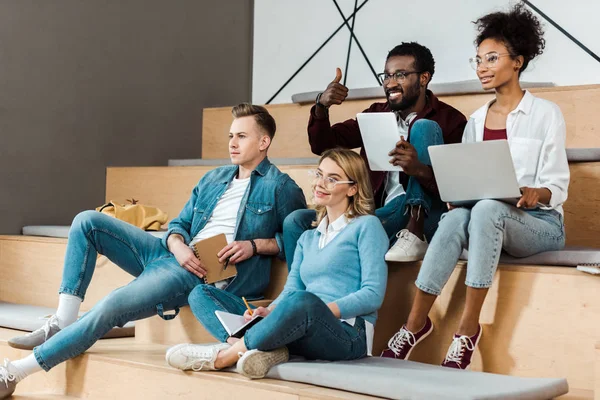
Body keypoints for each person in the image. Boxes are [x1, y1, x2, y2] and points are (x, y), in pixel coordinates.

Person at [0, 104, 306, 398]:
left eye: (242, 136)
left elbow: (295, 241)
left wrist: (254, 245)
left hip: (203, 270)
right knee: (87, 222)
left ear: (264, 141)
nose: (232, 143)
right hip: (172, 252)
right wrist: (176, 244)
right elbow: (179, 223)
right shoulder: (214, 178)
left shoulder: (281, 187)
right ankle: (64, 320)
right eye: (230, 136)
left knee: (112, 304)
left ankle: (16, 372)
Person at [380, 4, 569, 370]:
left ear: (518, 61)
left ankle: (468, 330)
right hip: (490, 219)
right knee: (456, 218)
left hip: (541, 224)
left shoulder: (546, 114)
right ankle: (415, 324)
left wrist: (534, 192)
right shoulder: (477, 121)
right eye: (477, 59)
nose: (481, 67)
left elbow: (558, 185)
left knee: (484, 209)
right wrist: (455, 194)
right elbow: (469, 177)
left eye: (491, 58)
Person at [164, 148, 388, 379]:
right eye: (319, 174)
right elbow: (292, 290)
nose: (320, 184)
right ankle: (260, 346)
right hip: (300, 326)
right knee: (201, 293)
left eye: (332, 179)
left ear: (353, 188)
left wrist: (316, 311)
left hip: (346, 333)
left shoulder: (367, 226)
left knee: (302, 302)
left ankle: (225, 357)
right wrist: (269, 311)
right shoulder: (308, 237)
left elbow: (372, 294)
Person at [283, 42, 467, 266]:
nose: (390, 83)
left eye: (400, 75)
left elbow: (458, 190)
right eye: (386, 76)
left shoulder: (450, 121)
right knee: (295, 221)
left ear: (423, 78)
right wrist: (322, 106)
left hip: (421, 215)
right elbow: (324, 145)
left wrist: (420, 170)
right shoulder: (376, 113)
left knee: (423, 128)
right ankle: (296, 293)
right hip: (374, 211)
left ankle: (413, 232)